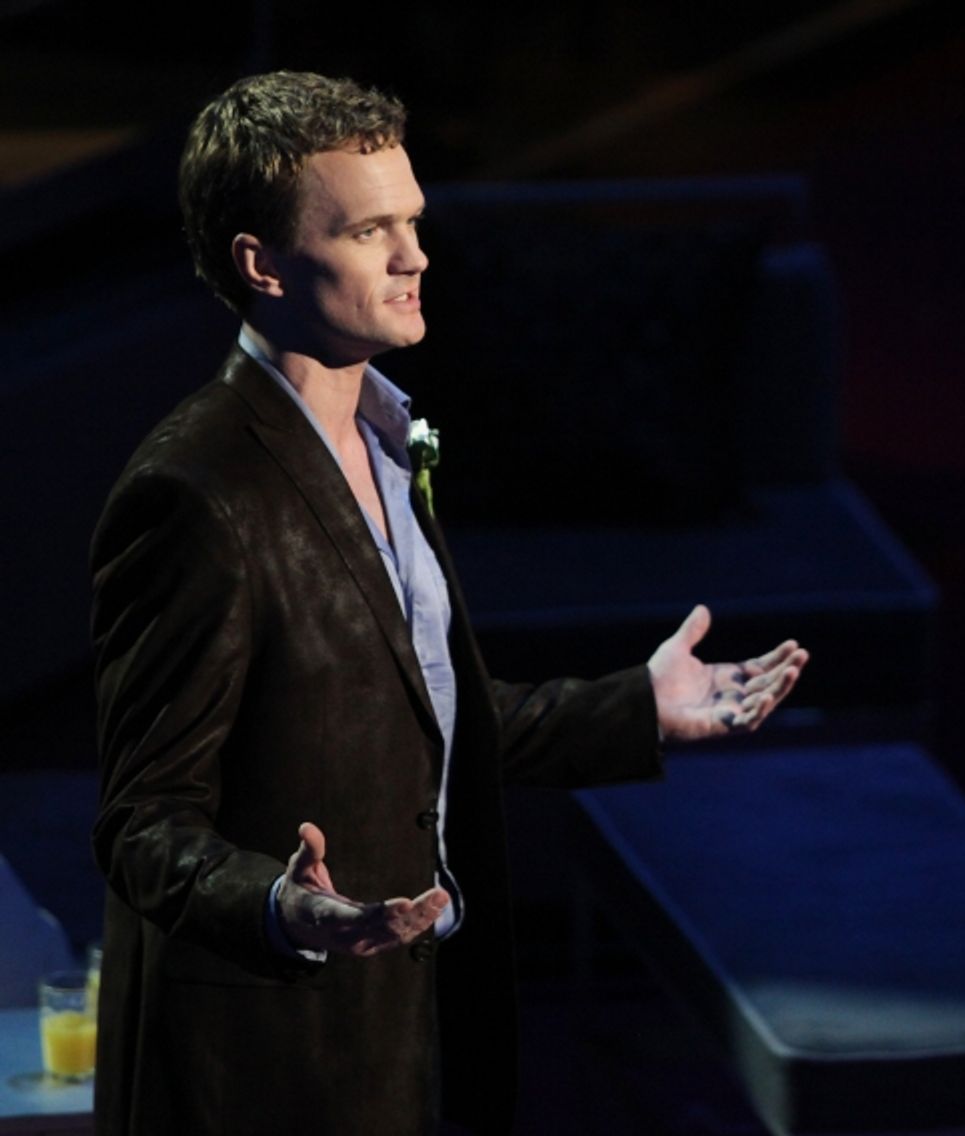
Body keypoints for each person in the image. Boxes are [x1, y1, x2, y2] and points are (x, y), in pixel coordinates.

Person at [89, 70, 807, 1136]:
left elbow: (414, 714)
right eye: (372, 229)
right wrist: (288, 908)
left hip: (406, 1027)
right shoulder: (193, 493)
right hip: (269, 1064)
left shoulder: (387, 438)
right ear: (263, 264)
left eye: (413, 220)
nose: (416, 256)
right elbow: (143, 822)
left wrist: (636, 705)